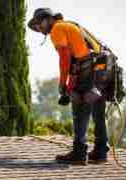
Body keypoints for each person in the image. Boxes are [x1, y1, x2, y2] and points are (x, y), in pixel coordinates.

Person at [28, 8, 110, 165]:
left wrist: (62, 83)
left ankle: (79, 153)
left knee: (80, 106)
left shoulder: (57, 29)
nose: (39, 28)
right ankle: (100, 153)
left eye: (40, 23)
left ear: (49, 19)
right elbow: (79, 55)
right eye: (37, 26)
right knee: (98, 111)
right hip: (102, 70)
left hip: (89, 69)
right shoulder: (70, 25)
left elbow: (65, 59)